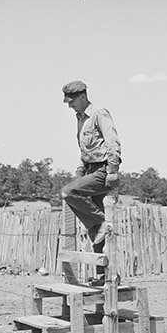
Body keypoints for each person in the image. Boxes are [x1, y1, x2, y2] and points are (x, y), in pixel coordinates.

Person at [59, 80, 122, 256]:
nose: (70, 105)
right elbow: (85, 150)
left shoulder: (98, 114)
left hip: (103, 170)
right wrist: (80, 171)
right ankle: (101, 270)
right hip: (90, 170)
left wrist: (112, 170)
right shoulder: (80, 119)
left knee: (68, 192)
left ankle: (101, 222)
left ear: (83, 96)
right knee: (96, 235)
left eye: (72, 101)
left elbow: (112, 141)